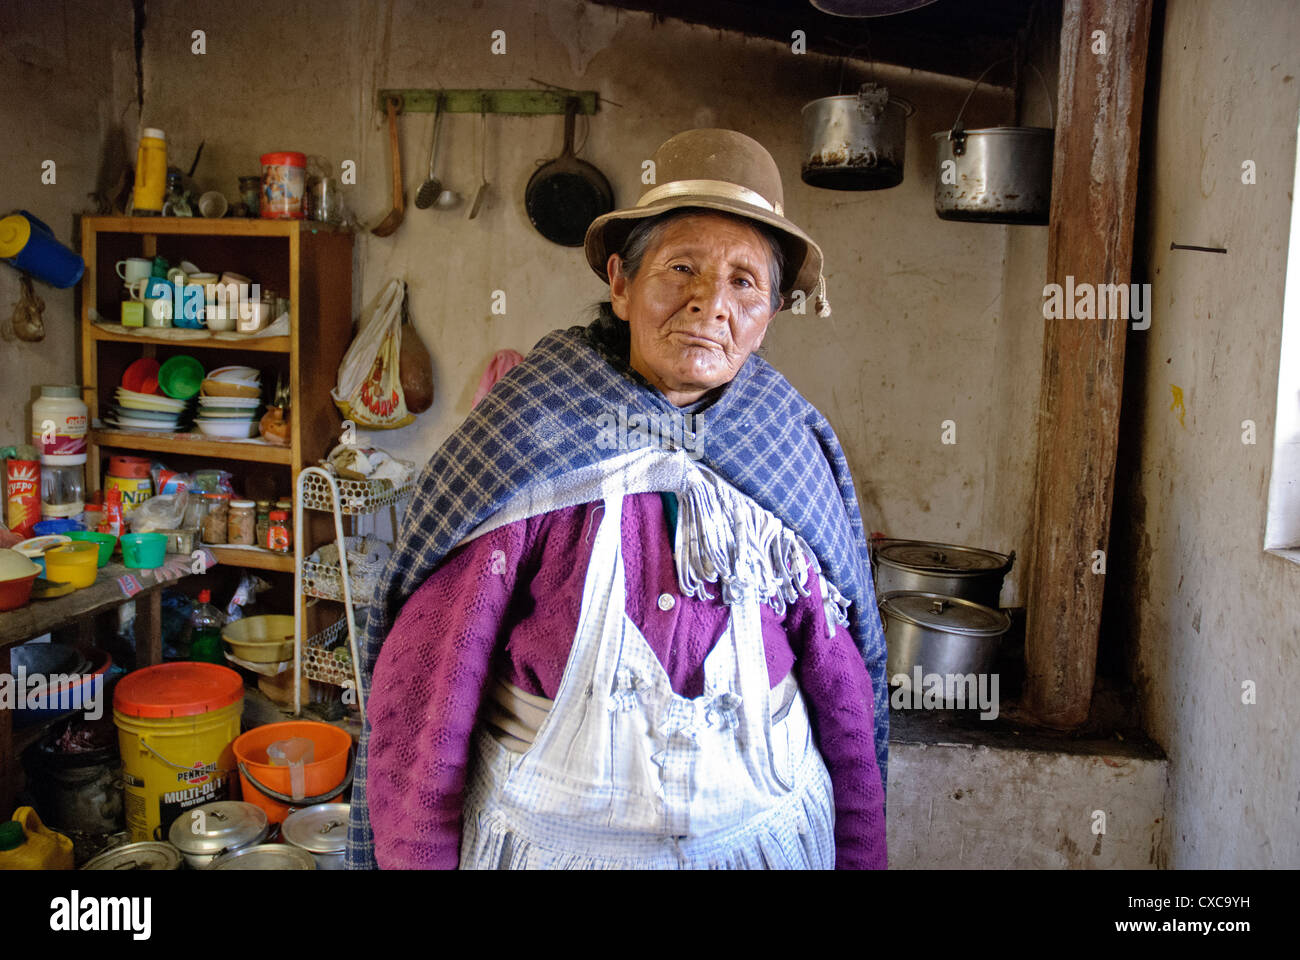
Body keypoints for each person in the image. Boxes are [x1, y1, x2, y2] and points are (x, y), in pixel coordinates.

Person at [348, 128, 889, 869]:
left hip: (763, 847)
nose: (709, 304)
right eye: (681, 269)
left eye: (744, 283)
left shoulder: (785, 444)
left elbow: (844, 697)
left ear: (769, 314)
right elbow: (428, 695)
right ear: (621, 283)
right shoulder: (532, 430)